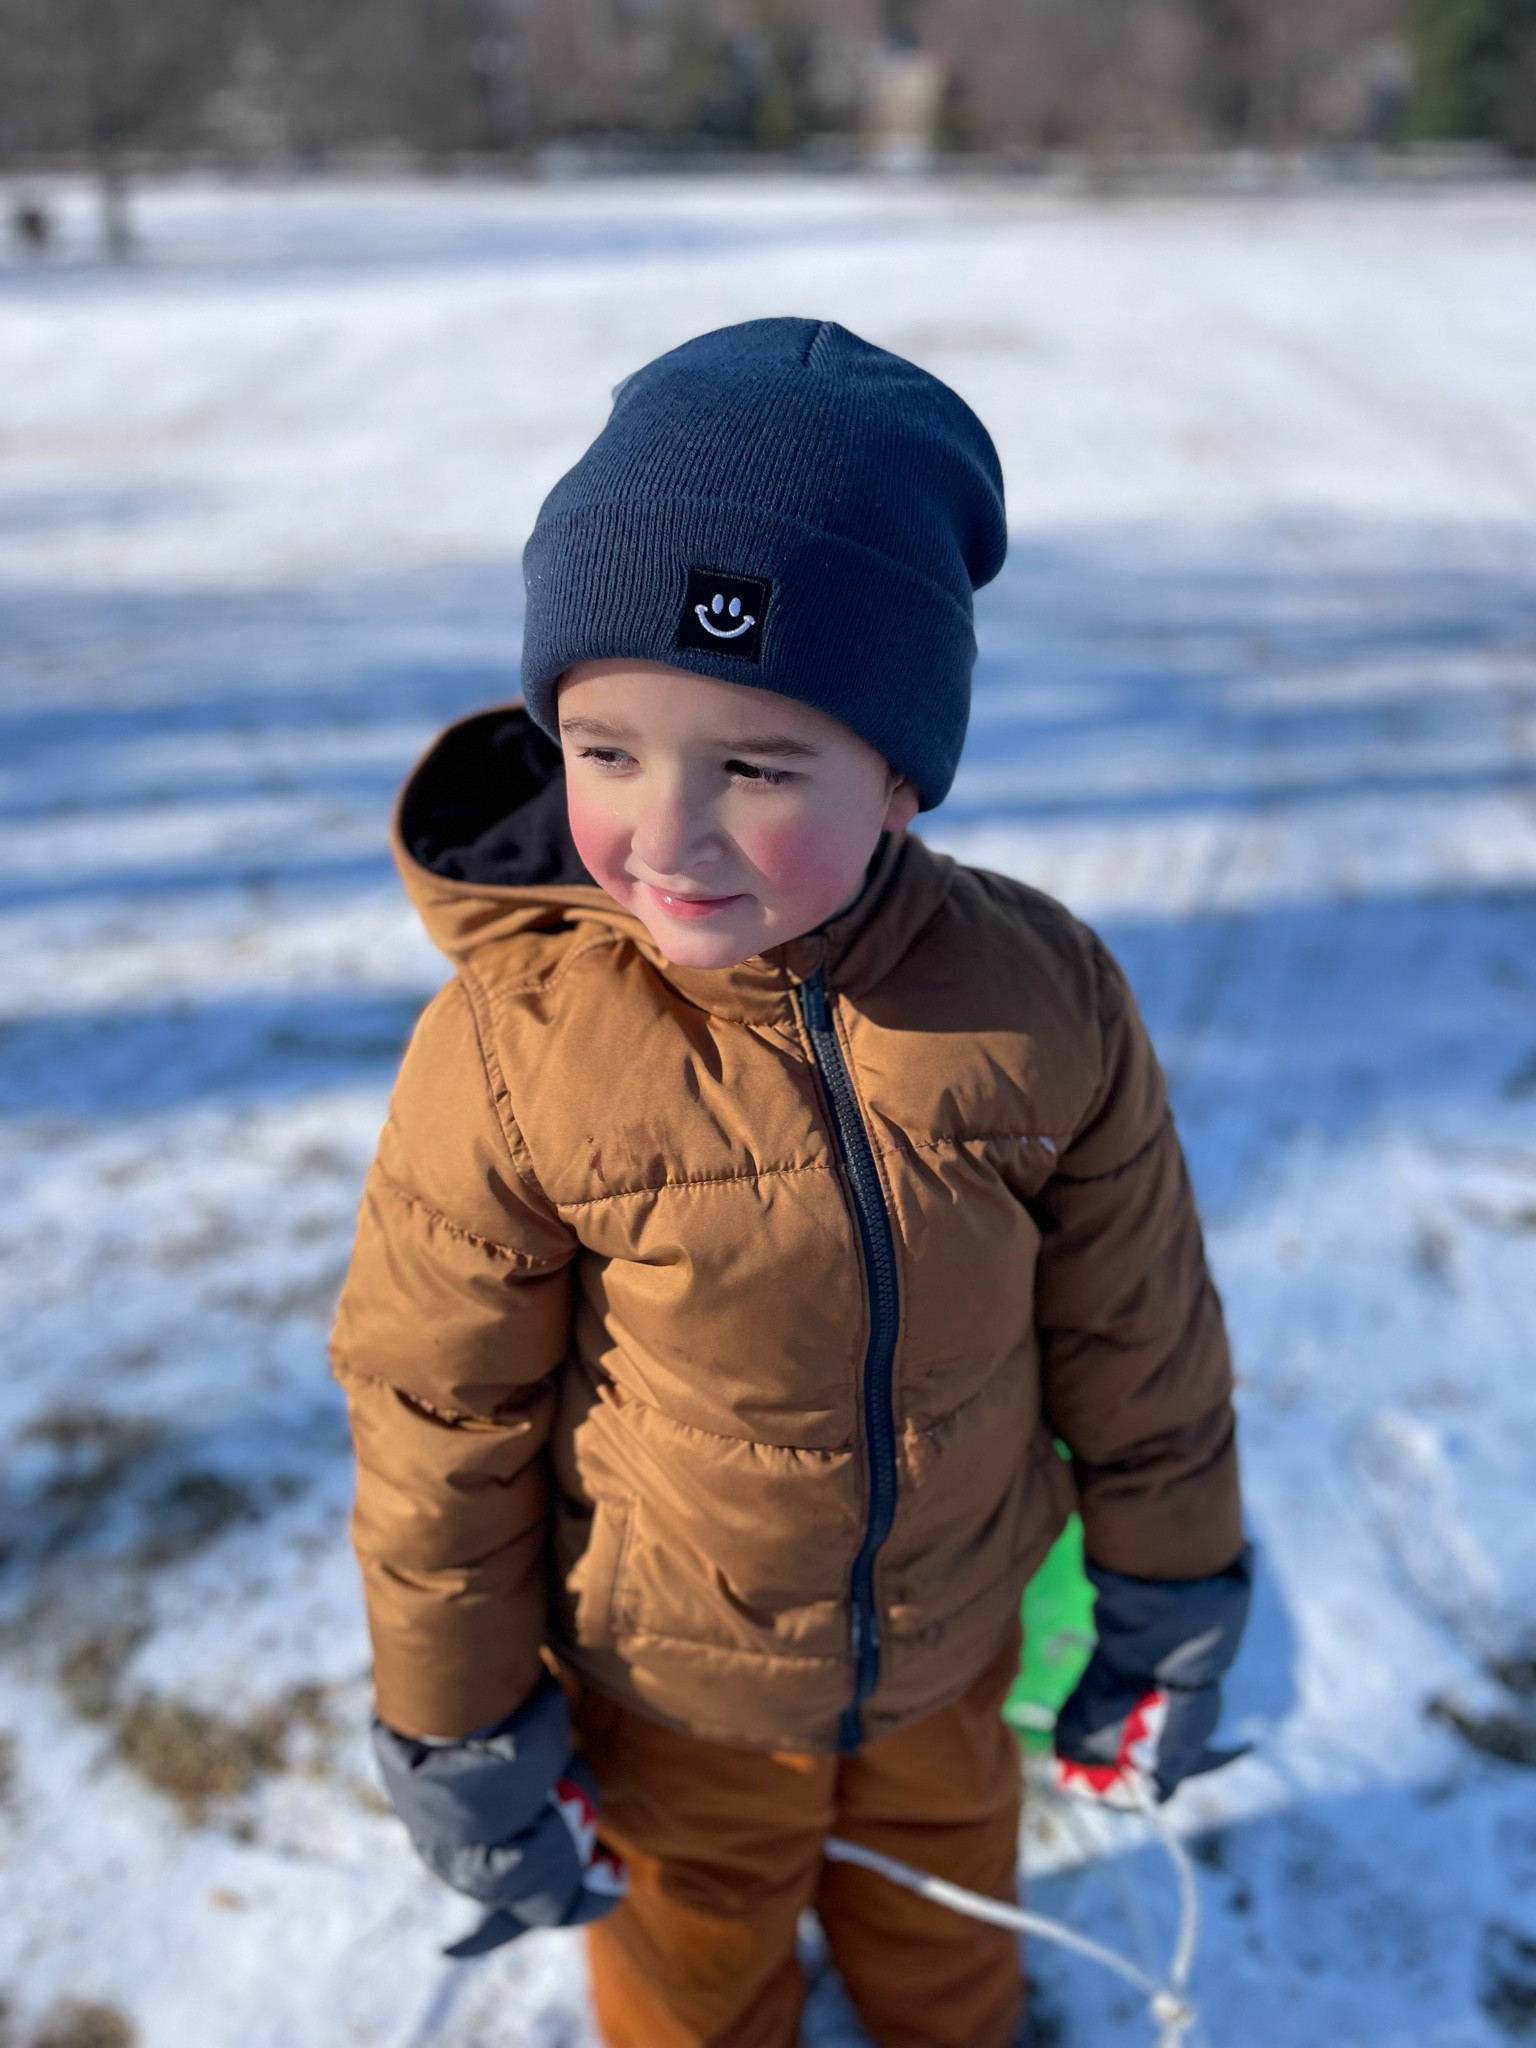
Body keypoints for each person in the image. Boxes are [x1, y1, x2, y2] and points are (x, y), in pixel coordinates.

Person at [331, 318, 1250, 2048]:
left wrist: (1172, 1591)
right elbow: (440, 1418)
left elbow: (1141, 1335)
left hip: (955, 1656)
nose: (666, 832)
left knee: (944, 1943)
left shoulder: (1042, 1000)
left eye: (755, 766)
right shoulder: (516, 1050)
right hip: (670, 1695)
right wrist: (460, 1725)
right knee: (697, 1982)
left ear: (900, 771)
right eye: (606, 750)